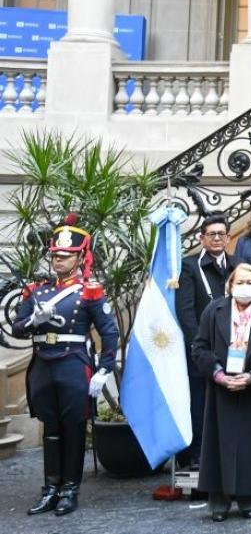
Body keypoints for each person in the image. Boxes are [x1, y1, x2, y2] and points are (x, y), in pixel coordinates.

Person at [14, 215, 118, 517]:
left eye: (65, 256)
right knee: (50, 427)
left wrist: (104, 369)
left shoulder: (90, 290)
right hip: (44, 363)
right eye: (55, 256)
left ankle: (70, 489)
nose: (58, 261)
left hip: (73, 363)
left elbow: (109, 332)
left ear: (79, 258)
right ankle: (50, 489)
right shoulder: (36, 291)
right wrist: (35, 320)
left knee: (73, 427)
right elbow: (19, 328)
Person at [191, 263, 251, 522]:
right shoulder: (214, 310)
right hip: (221, 387)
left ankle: (250, 498)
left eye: (250, 282)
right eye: (240, 282)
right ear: (230, 285)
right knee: (219, 443)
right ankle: (218, 501)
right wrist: (219, 375)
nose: (244, 287)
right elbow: (199, 347)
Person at [175, 215, 236, 469]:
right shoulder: (189, 266)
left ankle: (229, 453)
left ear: (229, 237)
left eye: (222, 233)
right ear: (202, 238)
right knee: (199, 403)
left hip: (234, 347)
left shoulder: (237, 266)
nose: (217, 238)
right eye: (211, 234)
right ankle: (198, 454)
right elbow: (186, 311)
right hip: (201, 349)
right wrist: (197, 344)